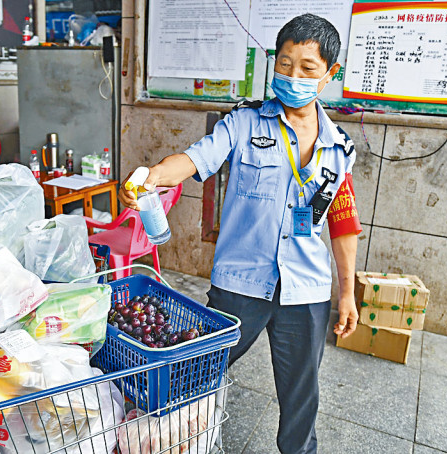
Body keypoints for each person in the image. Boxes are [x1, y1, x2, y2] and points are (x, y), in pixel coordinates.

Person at [118, 14, 362, 454]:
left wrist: (346, 293)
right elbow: (194, 159)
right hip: (240, 284)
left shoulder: (339, 146)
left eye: (307, 68)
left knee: (301, 399)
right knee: (193, 373)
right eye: (285, 64)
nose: (292, 76)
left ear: (330, 74)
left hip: (305, 290)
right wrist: (153, 176)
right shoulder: (244, 122)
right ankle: (158, 440)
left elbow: (343, 222)